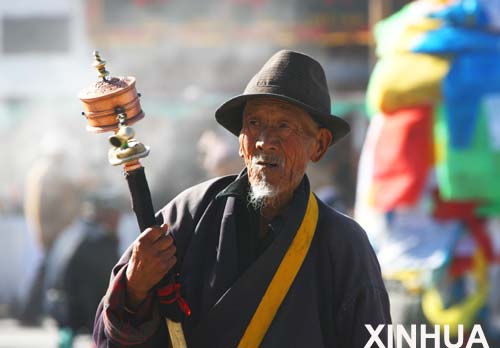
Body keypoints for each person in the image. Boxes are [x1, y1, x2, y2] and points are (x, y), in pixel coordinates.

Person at [93, 50, 391, 348]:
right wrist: (134, 289)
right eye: (254, 123)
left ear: (320, 145)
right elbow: (107, 334)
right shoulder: (189, 215)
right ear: (240, 141)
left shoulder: (344, 245)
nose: (264, 141)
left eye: (283, 126)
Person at [45, 192, 120, 347]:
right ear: (103, 215)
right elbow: (99, 287)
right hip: (77, 307)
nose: (118, 219)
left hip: (61, 304)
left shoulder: (72, 233)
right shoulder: (97, 242)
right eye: (114, 213)